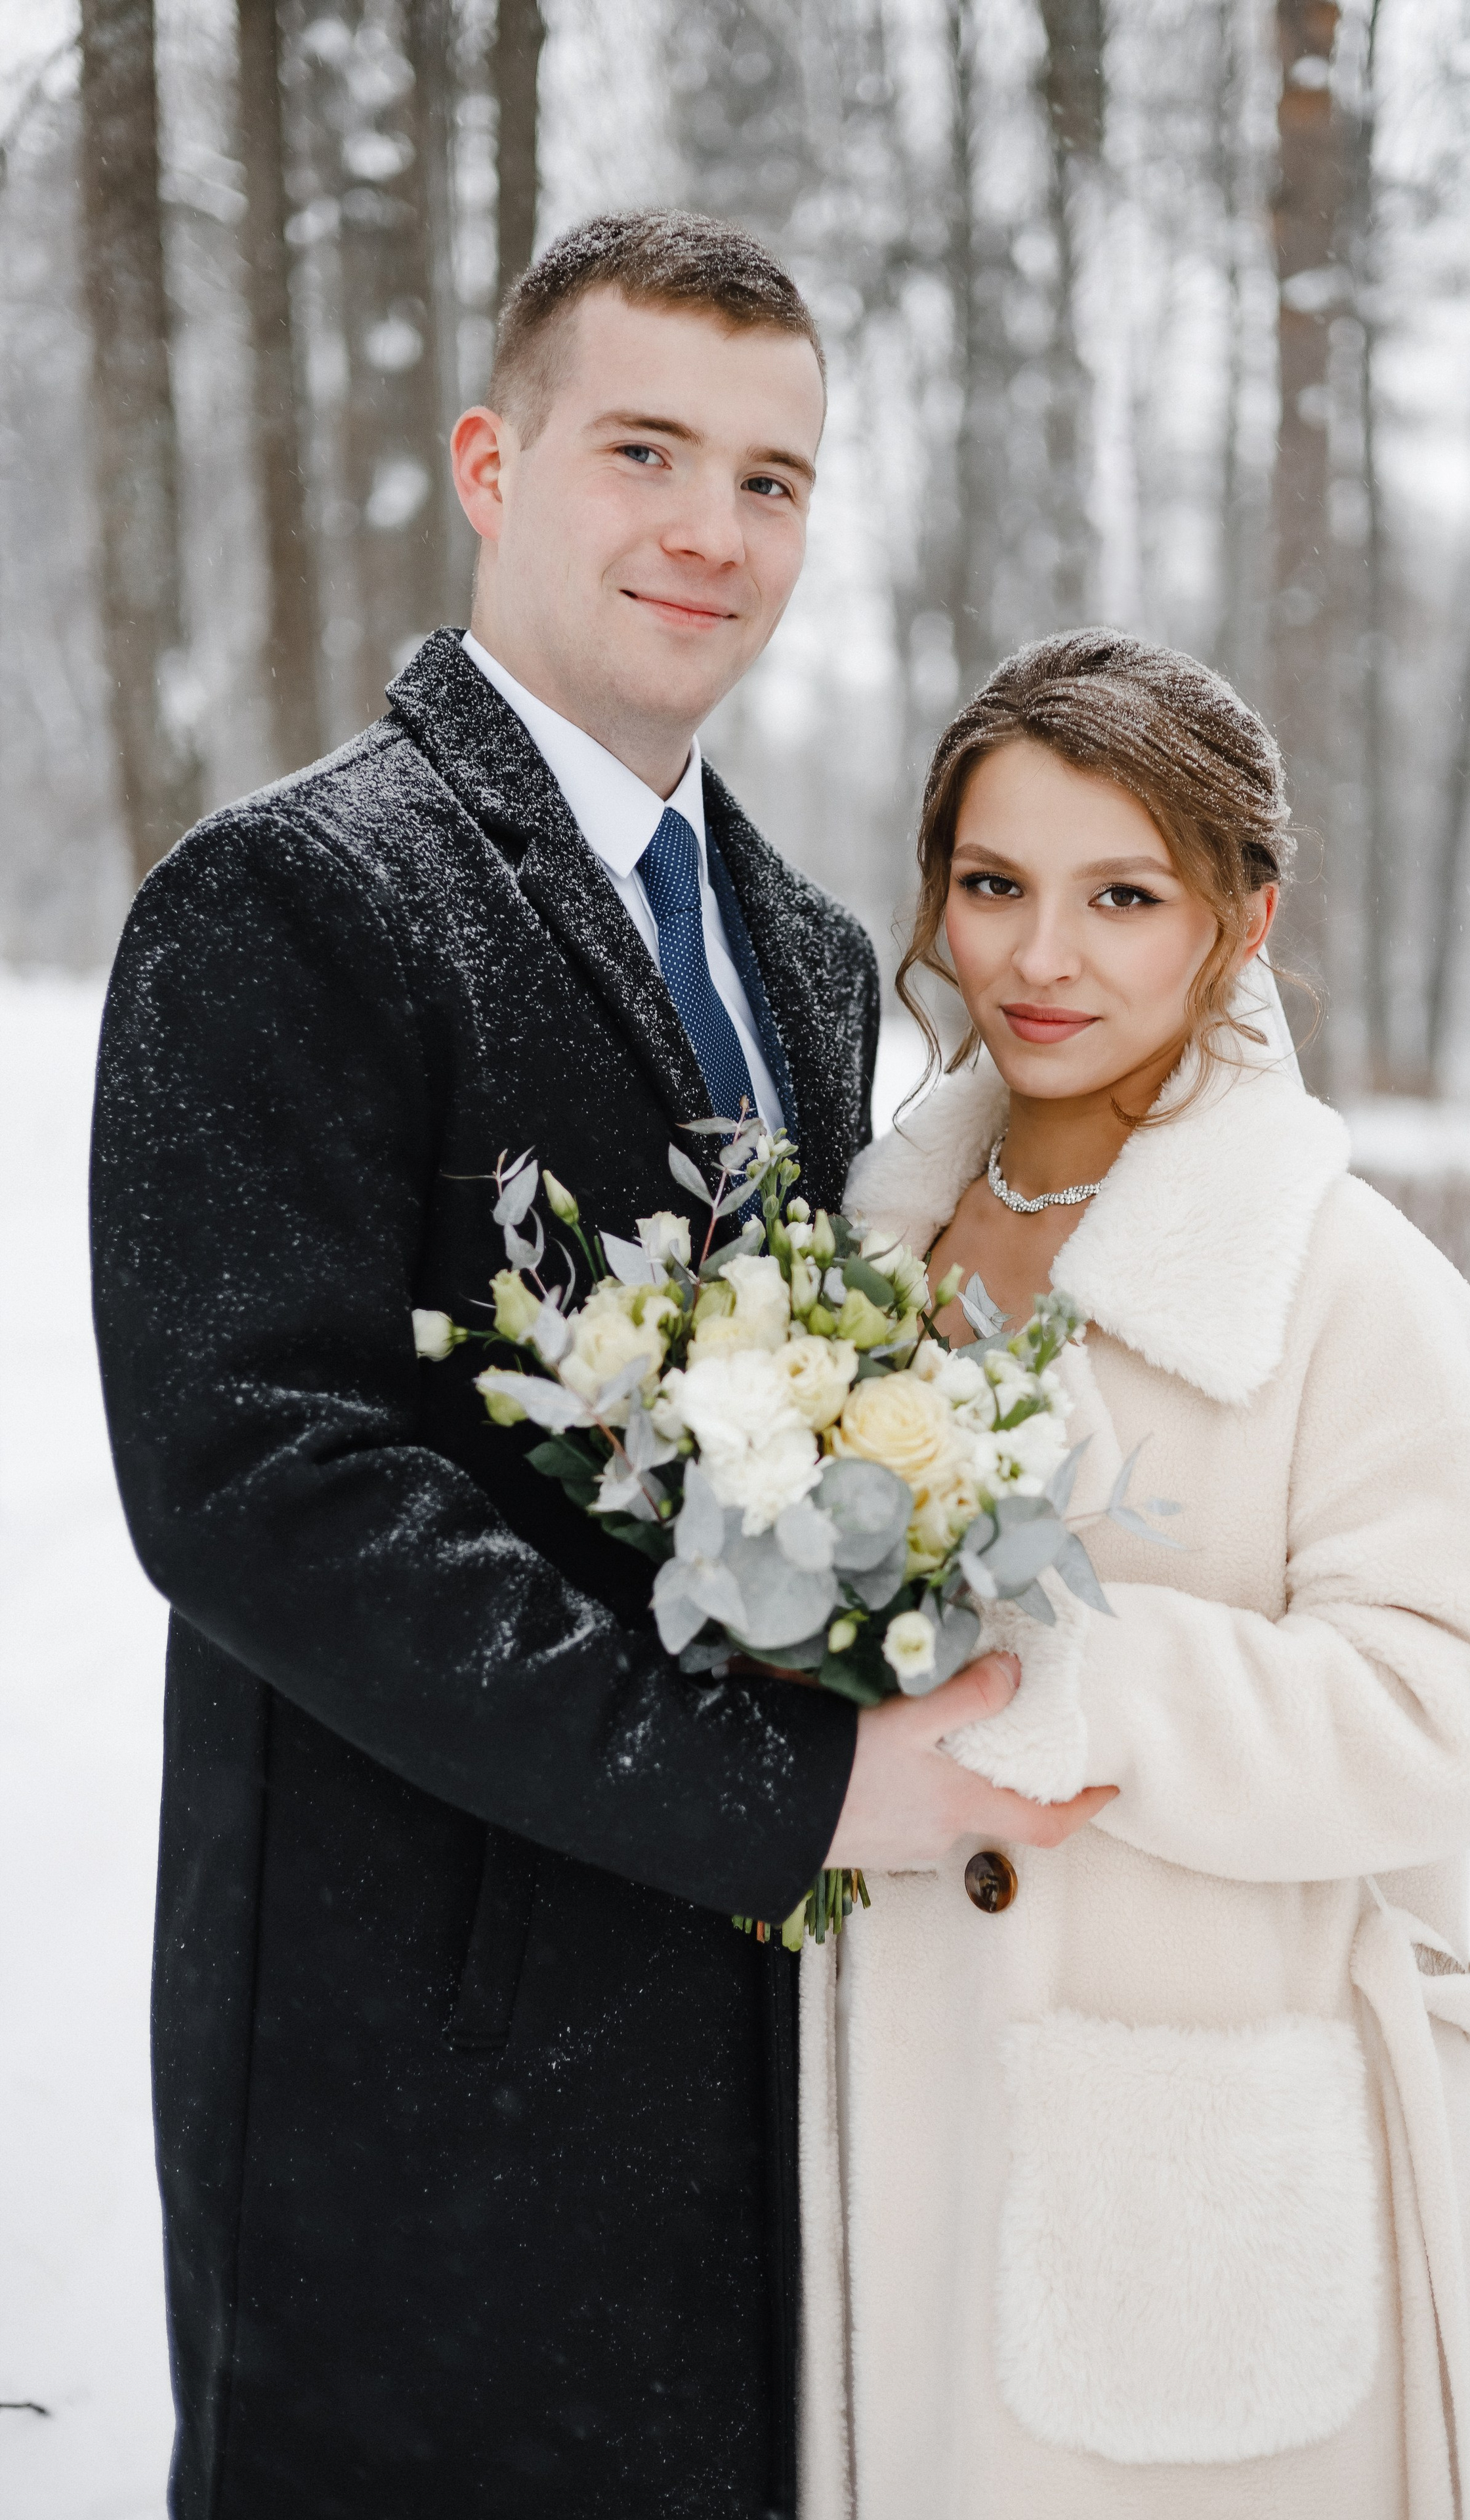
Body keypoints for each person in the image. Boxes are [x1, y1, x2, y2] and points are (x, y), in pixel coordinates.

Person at [90, 213, 1108, 2520]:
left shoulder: (814, 951)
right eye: (644, 449)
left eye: (771, 478)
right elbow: (259, 1481)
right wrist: (783, 1797)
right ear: (489, 460)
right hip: (423, 2086)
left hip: (758, 2087)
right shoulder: (289, 899)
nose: (709, 530)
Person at [803, 629, 1470, 2520]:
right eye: (994, 886)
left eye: (1121, 896)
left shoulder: (1347, 1283)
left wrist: (1042, 1679)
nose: (1041, 958)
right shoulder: (845, 1263)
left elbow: (1453, 1717)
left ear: (1241, 919)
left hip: (1198, 2180)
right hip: (893, 2138)